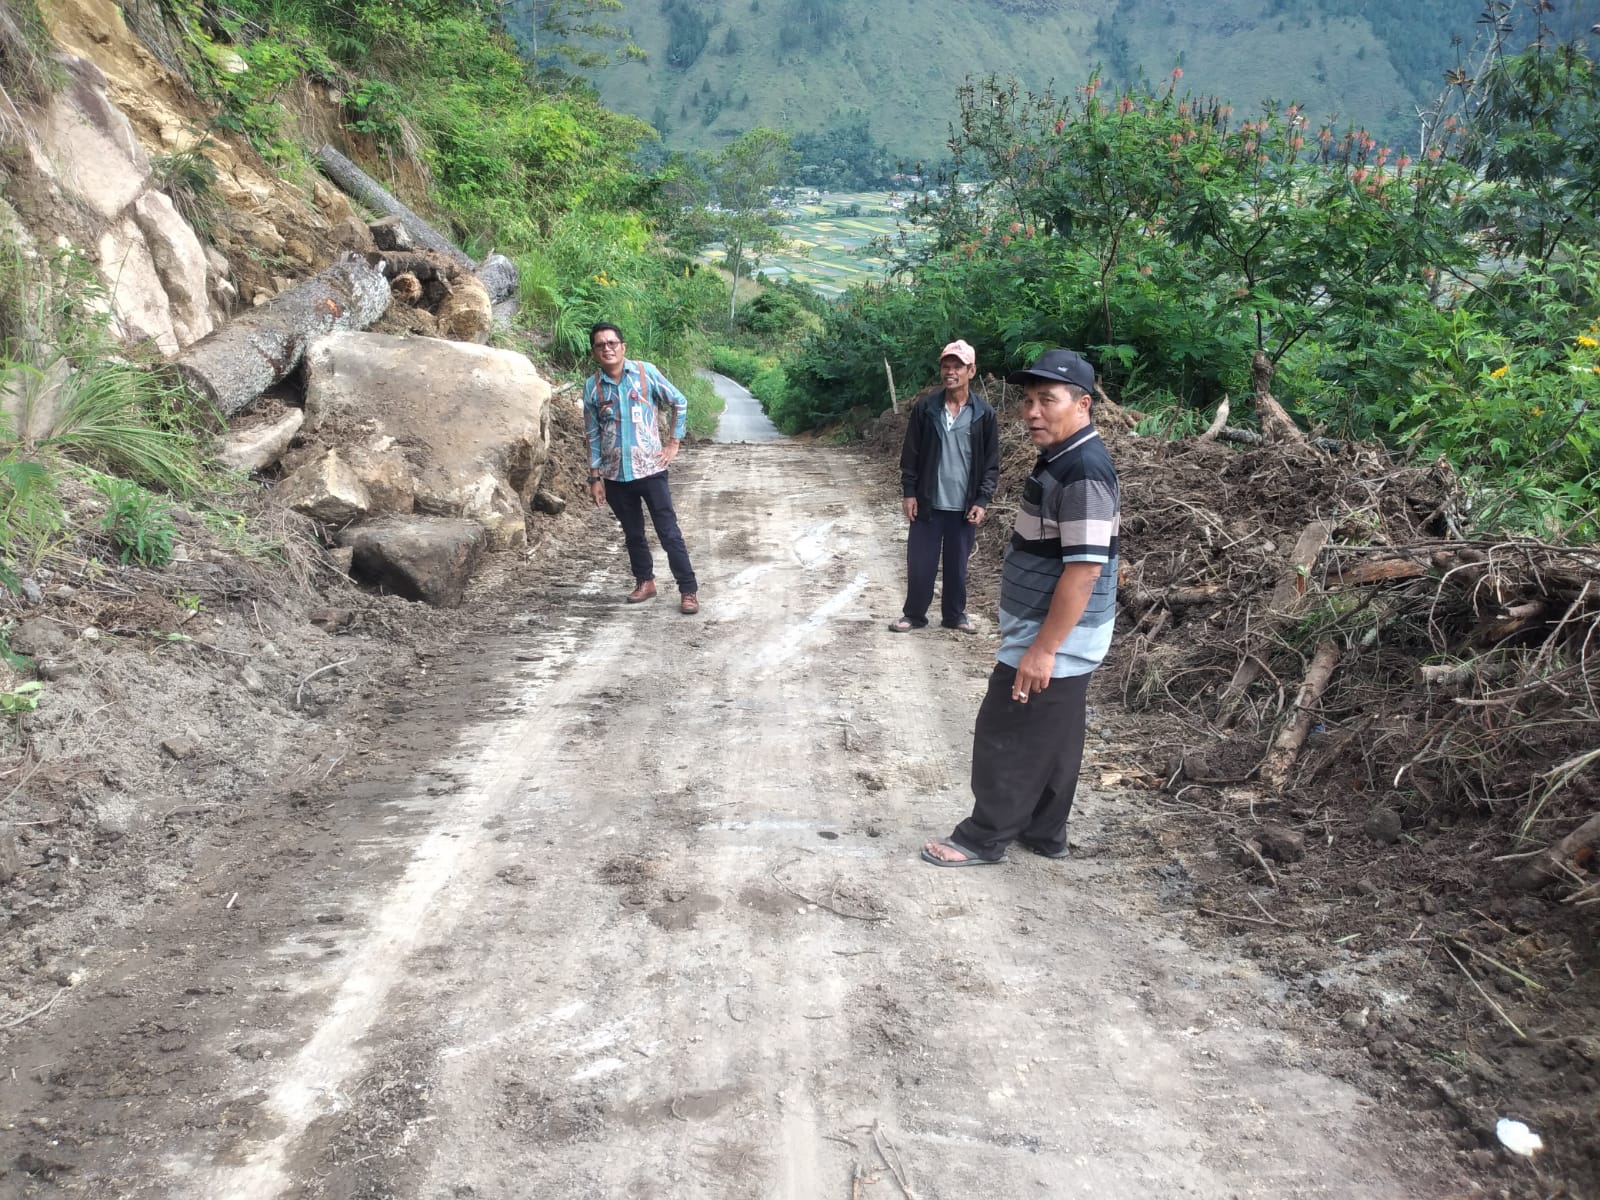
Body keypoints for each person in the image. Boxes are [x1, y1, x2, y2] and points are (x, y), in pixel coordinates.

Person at [921, 348, 1120, 866]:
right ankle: (1044, 831)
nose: (1032, 411)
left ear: (1083, 405)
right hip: (1062, 637)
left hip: (1054, 637)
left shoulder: (1083, 472)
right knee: (1055, 735)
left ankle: (984, 837)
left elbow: (1084, 570)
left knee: (1007, 733)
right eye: (1028, 400)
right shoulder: (1062, 458)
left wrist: (1042, 649)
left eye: (1047, 400)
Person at [583, 322, 700, 615]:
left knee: (668, 532)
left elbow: (679, 402)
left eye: (612, 343)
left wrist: (674, 442)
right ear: (594, 353)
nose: (607, 348)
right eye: (600, 345)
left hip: (651, 470)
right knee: (632, 533)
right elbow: (592, 433)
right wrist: (594, 477)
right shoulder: (593, 386)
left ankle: (688, 590)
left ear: (623, 347)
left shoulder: (646, 374)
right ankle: (645, 582)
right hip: (615, 475)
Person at [889, 340, 1000, 635]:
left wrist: (982, 499)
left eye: (958, 366)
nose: (951, 372)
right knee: (920, 565)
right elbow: (910, 453)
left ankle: (954, 616)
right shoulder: (927, 409)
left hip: (963, 506)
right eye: (946, 366)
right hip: (928, 502)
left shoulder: (984, 414)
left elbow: (991, 463)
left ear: (971, 371)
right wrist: (909, 492)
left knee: (957, 567)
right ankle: (914, 615)